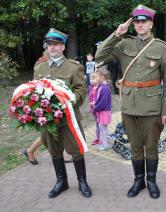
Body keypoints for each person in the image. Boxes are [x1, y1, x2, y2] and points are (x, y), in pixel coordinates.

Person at [95, 4, 166, 199]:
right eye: (136, 21)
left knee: (151, 146)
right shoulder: (124, 44)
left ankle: (151, 181)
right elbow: (99, 56)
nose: (139, 24)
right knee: (135, 147)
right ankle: (139, 180)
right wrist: (116, 34)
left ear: (151, 23)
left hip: (152, 106)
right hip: (129, 105)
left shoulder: (161, 47)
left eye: (143, 21)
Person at [33, 28, 91, 198]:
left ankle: (82, 181)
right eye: (50, 44)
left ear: (63, 47)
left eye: (56, 44)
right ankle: (61, 181)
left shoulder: (74, 67)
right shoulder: (40, 67)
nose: (52, 48)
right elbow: (35, 90)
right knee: (54, 150)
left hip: (68, 118)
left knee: (75, 150)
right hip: (48, 120)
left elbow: (81, 91)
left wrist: (68, 103)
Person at [90, 68, 113, 150]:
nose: (95, 79)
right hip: (101, 111)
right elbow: (98, 99)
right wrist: (94, 103)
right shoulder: (101, 87)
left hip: (104, 111)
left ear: (102, 77)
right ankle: (104, 143)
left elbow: (103, 102)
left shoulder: (105, 88)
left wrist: (95, 108)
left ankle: (106, 144)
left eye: (96, 77)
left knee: (104, 128)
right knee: (101, 127)